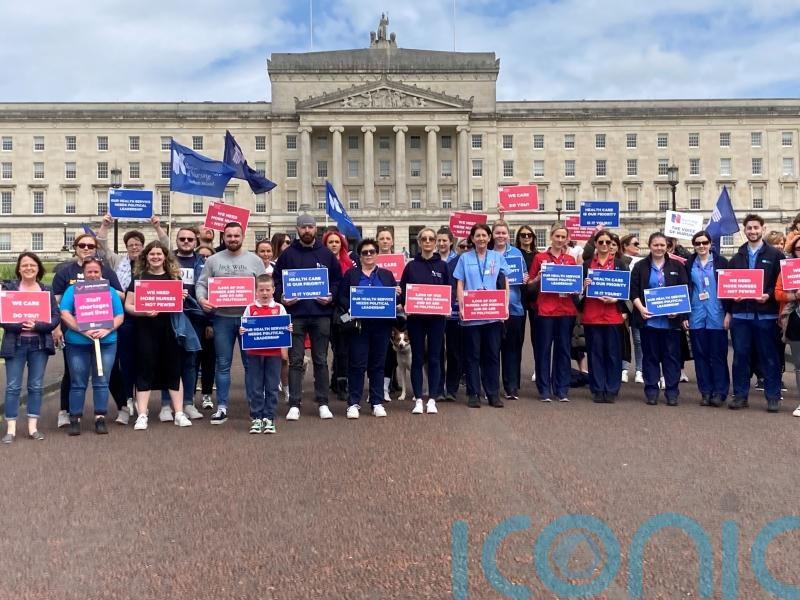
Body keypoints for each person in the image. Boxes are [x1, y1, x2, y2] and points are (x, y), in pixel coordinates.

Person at [51, 233, 124, 428]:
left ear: (101, 273)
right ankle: (75, 417)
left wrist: (107, 330)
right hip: (77, 342)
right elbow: (64, 312)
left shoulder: (109, 291)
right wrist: (81, 330)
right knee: (77, 382)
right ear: (83, 273)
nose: (93, 275)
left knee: (101, 381)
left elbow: (119, 315)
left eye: (96, 272)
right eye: (89, 272)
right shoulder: (73, 290)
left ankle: (100, 417)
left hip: (106, 341)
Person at [196, 222, 266, 425]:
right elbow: (201, 284)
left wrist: (261, 300)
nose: (233, 239)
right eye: (229, 236)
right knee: (223, 364)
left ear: (242, 237)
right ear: (223, 237)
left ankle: (254, 406)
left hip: (249, 319)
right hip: (222, 318)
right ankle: (222, 407)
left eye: (236, 235)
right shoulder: (213, 260)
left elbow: (264, 285)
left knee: (251, 364)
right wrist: (202, 300)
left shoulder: (255, 260)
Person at [274, 214, 342, 420]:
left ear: (315, 229)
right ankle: (294, 403)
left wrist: (331, 296)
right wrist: (282, 297)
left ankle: (323, 402)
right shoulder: (287, 255)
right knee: (295, 361)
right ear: (297, 229)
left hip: (321, 314)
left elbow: (337, 280)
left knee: (321, 360)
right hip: (296, 315)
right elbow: (277, 281)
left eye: (310, 227)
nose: (306, 230)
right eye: (303, 227)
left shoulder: (326, 254)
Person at [124, 241, 194, 429]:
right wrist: (143, 312)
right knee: (144, 369)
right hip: (145, 330)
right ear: (146, 257)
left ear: (165, 257)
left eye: (159, 254)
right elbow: (128, 305)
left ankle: (178, 413)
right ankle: (142, 415)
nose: (155, 257)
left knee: (174, 369)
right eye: (152, 254)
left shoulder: (174, 278)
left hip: (170, 329)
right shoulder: (139, 278)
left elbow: (179, 306)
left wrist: (181, 298)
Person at [726, 214, 784, 412]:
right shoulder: (736, 257)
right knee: (740, 357)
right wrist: (733, 297)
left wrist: (769, 295)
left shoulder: (775, 256)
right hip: (741, 316)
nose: (752, 231)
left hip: (766, 315)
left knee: (769, 357)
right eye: (749, 228)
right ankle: (740, 396)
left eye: (756, 228)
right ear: (745, 230)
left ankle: (773, 396)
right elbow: (729, 285)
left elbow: (781, 283)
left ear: (762, 229)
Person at [1, 253, 61, 443]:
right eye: (24, 265)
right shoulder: (9, 289)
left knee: (35, 386)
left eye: (32, 265)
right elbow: (2, 317)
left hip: (39, 345)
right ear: (19, 269)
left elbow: (55, 316)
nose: (28, 268)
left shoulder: (46, 290)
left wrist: (37, 326)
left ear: (38, 268)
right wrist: (20, 326)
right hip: (15, 344)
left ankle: (32, 427)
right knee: (13, 387)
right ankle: (10, 429)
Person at [337, 238, 398, 418]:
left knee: (378, 365)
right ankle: (353, 403)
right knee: (357, 364)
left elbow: (395, 299)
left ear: (377, 254)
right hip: (359, 326)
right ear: (360, 256)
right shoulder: (351, 275)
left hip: (381, 326)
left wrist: (397, 295)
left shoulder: (386, 275)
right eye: (365, 252)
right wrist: (352, 307)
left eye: (372, 252)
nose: (369, 255)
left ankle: (377, 402)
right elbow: (341, 297)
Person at [453, 223, 510, 408]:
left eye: (484, 235)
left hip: (492, 313)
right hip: (472, 314)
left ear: (489, 237)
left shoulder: (497, 257)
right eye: (477, 236)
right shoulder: (464, 258)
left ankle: (493, 393)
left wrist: (505, 305)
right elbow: (460, 283)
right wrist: (462, 306)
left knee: (492, 355)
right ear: (472, 238)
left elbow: (505, 281)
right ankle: (473, 393)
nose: (481, 239)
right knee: (472, 356)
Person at [630, 232, 689, 406]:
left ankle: (672, 392)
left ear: (667, 247)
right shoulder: (640, 266)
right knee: (650, 358)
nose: (659, 248)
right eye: (655, 245)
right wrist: (641, 308)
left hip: (671, 323)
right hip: (648, 321)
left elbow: (684, 289)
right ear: (650, 246)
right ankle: (651, 391)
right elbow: (633, 291)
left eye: (662, 245)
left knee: (672, 358)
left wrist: (678, 311)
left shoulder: (677, 266)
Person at [399, 227, 449, 414]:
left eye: (431, 239)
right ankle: (419, 399)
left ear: (435, 242)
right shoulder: (411, 266)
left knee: (435, 358)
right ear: (419, 242)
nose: (428, 242)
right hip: (416, 320)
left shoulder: (443, 266)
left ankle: (433, 399)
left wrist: (446, 305)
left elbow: (449, 290)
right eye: (424, 239)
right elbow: (403, 291)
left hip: (436, 319)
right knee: (418, 359)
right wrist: (403, 302)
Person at [528, 223, 580, 403]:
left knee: (563, 350)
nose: (560, 240)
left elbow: (575, 286)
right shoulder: (540, 258)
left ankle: (562, 389)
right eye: (557, 236)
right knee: (543, 350)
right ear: (551, 236)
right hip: (546, 310)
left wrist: (578, 286)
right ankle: (544, 389)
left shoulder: (571, 260)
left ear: (567, 239)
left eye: (563, 237)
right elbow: (530, 284)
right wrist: (539, 277)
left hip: (566, 310)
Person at [164, 227, 211, 417]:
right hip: (170, 314)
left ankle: (189, 402)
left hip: (195, 316)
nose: (185, 241)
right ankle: (166, 404)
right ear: (176, 240)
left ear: (196, 242)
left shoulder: (204, 262)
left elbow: (209, 289)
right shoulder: (167, 260)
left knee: (191, 360)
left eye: (190, 239)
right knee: (169, 359)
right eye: (182, 238)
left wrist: (210, 321)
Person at [581, 230, 628, 403]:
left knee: (613, 354)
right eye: (600, 242)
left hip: (612, 315)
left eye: (608, 242)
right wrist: (584, 286)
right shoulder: (587, 265)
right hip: (592, 315)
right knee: (595, 354)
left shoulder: (619, 264)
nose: (604, 245)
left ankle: (612, 389)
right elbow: (577, 292)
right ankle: (598, 389)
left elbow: (626, 289)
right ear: (595, 243)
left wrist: (616, 299)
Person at [240, 274, 290, 434]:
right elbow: (244, 327)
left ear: (273, 290)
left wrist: (288, 329)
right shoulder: (250, 308)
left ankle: (269, 417)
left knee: (272, 386)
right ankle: (256, 417)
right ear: (256, 291)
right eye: (261, 290)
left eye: (268, 290)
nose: (264, 293)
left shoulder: (279, 308)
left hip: (274, 354)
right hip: (254, 353)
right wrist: (242, 330)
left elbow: (285, 327)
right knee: (255, 386)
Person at [686, 230, 730, 407]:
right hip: (696, 314)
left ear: (711, 244)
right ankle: (705, 391)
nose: (701, 246)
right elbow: (684, 289)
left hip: (717, 314)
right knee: (700, 355)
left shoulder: (722, 262)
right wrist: (684, 315)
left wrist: (729, 313)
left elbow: (729, 289)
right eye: (697, 243)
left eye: (704, 242)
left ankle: (720, 392)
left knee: (718, 356)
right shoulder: (688, 263)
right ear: (694, 245)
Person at [491, 220, 528, 399]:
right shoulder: (487, 253)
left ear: (508, 235)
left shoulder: (516, 253)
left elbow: (523, 276)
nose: (501, 236)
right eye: (497, 232)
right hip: (491, 309)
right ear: (492, 235)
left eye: (504, 233)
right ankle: (491, 387)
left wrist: (525, 278)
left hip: (514, 308)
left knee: (511, 350)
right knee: (492, 350)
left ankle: (511, 387)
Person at [323, 230, 355, 401]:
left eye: (337, 242)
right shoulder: (319, 263)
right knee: (325, 350)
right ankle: (329, 381)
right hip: (323, 310)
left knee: (342, 349)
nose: (334, 244)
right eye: (331, 242)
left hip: (343, 312)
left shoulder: (350, 264)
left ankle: (341, 383)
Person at [620, 234, 644, 383]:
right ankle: (623, 369)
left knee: (639, 340)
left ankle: (639, 370)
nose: (638, 246)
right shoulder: (619, 261)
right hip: (622, 304)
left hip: (637, 304)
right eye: (635, 244)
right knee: (623, 339)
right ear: (625, 246)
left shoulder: (643, 262)